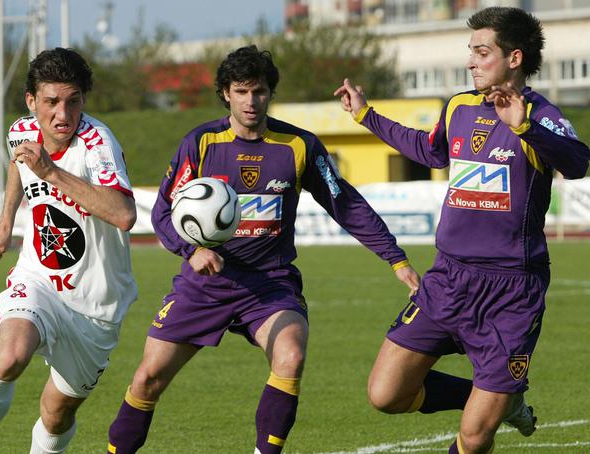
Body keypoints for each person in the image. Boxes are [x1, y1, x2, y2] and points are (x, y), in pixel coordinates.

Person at [106, 44, 420, 453]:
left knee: (290, 356)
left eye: (259, 91)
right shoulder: (200, 143)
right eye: (241, 91)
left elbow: (345, 202)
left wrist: (395, 258)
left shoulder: (299, 146)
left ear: (270, 93)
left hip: (271, 286)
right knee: (148, 378)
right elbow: (164, 212)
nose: (251, 101)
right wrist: (191, 250)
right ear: (225, 93)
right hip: (205, 285)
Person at [335, 6, 590, 454]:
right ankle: (504, 401)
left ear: (514, 58)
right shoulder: (458, 106)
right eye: (470, 51)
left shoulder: (541, 114)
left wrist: (525, 127)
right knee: (385, 394)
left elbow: (578, 161)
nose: (470, 60)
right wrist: (366, 116)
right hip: (448, 279)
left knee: (473, 439)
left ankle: (496, 403)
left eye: (481, 51)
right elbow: (429, 151)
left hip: (510, 292)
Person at [0, 48, 138, 454]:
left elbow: (124, 214)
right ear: (31, 101)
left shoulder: (97, 144)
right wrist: (5, 223)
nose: (63, 114)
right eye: (52, 102)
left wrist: (51, 172)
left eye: (73, 101)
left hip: (96, 306)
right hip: (39, 278)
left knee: (56, 414)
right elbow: (17, 164)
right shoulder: (22, 131)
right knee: (10, 356)